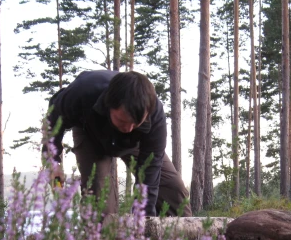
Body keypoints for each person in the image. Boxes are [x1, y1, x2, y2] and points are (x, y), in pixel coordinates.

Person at [43, 69, 192, 217]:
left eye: (135, 123)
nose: (127, 128)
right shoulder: (83, 91)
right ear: (109, 105)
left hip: (135, 142)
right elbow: (53, 118)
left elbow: (150, 173)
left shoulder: (154, 115)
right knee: (99, 199)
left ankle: (188, 239)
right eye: (122, 120)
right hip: (91, 133)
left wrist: (144, 221)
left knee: (173, 188)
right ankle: (101, 238)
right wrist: (53, 163)